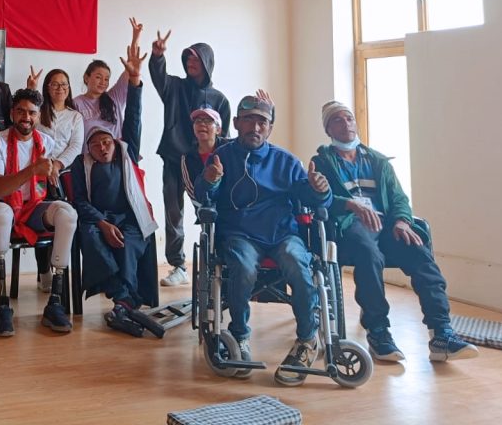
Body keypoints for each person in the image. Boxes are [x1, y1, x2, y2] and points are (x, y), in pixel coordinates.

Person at [312, 101, 478, 363]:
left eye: (349, 118)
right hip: (350, 225)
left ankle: (441, 333)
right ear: (328, 129)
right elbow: (320, 200)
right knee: (369, 254)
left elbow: (399, 197)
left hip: (387, 224)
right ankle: (378, 331)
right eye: (337, 120)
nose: (346, 124)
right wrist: (350, 205)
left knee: (418, 251)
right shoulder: (322, 162)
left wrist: (402, 221)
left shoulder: (378, 161)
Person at [194, 95, 332, 386]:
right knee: (243, 267)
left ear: (270, 127)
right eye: (248, 120)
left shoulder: (285, 161)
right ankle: (240, 335)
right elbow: (203, 195)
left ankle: (307, 338)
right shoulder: (222, 156)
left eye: (262, 122)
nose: (255, 127)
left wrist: (320, 191)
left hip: (282, 234)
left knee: (297, 263)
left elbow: (311, 197)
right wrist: (211, 180)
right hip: (240, 234)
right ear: (236, 123)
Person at [69, 46, 158, 335]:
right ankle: (123, 297)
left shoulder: (126, 152)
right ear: (88, 148)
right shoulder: (81, 164)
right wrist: (103, 223)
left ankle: (123, 303)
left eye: (106, 142)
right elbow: (79, 201)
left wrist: (136, 80)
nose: (103, 147)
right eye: (96, 145)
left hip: (128, 217)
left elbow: (133, 116)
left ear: (114, 141)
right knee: (91, 236)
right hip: (98, 219)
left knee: (132, 241)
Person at [0, 89, 79, 337]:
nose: (26, 117)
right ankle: (3, 305)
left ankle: (55, 301)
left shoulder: (46, 141)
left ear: (38, 116)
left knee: (68, 214)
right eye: (21, 111)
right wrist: (32, 170)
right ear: (12, 113)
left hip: (34, 206)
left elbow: (47, 175)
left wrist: (50, 170)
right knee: (1, 214)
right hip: (4, 204)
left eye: (32, 113)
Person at [149, 31, 231, 288]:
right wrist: (158, 56)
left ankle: (219, 260)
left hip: (205, 162)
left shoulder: (219, 99)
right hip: (174, 158)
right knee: (173, 211)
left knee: (209, 210)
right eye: (188, 59)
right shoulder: (175, 87)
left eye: (196, 59)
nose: (190, 63)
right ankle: (178, 265)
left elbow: (225, 136)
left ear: (207, 62)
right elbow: (158, 77)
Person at [33, 68, 85, 292]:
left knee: (62, 220)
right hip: (38, 173)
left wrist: (57, 165)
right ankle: (43, 270)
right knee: (39, 219)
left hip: (63, 175)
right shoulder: (38, 112)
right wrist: (45, 165)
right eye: (55, 84)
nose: (60, 88)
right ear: (47, 87)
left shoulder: (75, 116)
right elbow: (29, 138)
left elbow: (76, 146)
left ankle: (59, 270)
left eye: (64, 84)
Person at [73, 18, 143, 148]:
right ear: (86, 78)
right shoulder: (76, 103)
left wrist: (136, 38)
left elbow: (132, 65)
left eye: (106, 79)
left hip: (117, 156)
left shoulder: (114, 97)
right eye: (98, 77)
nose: (103, 82)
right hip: (90, 156)